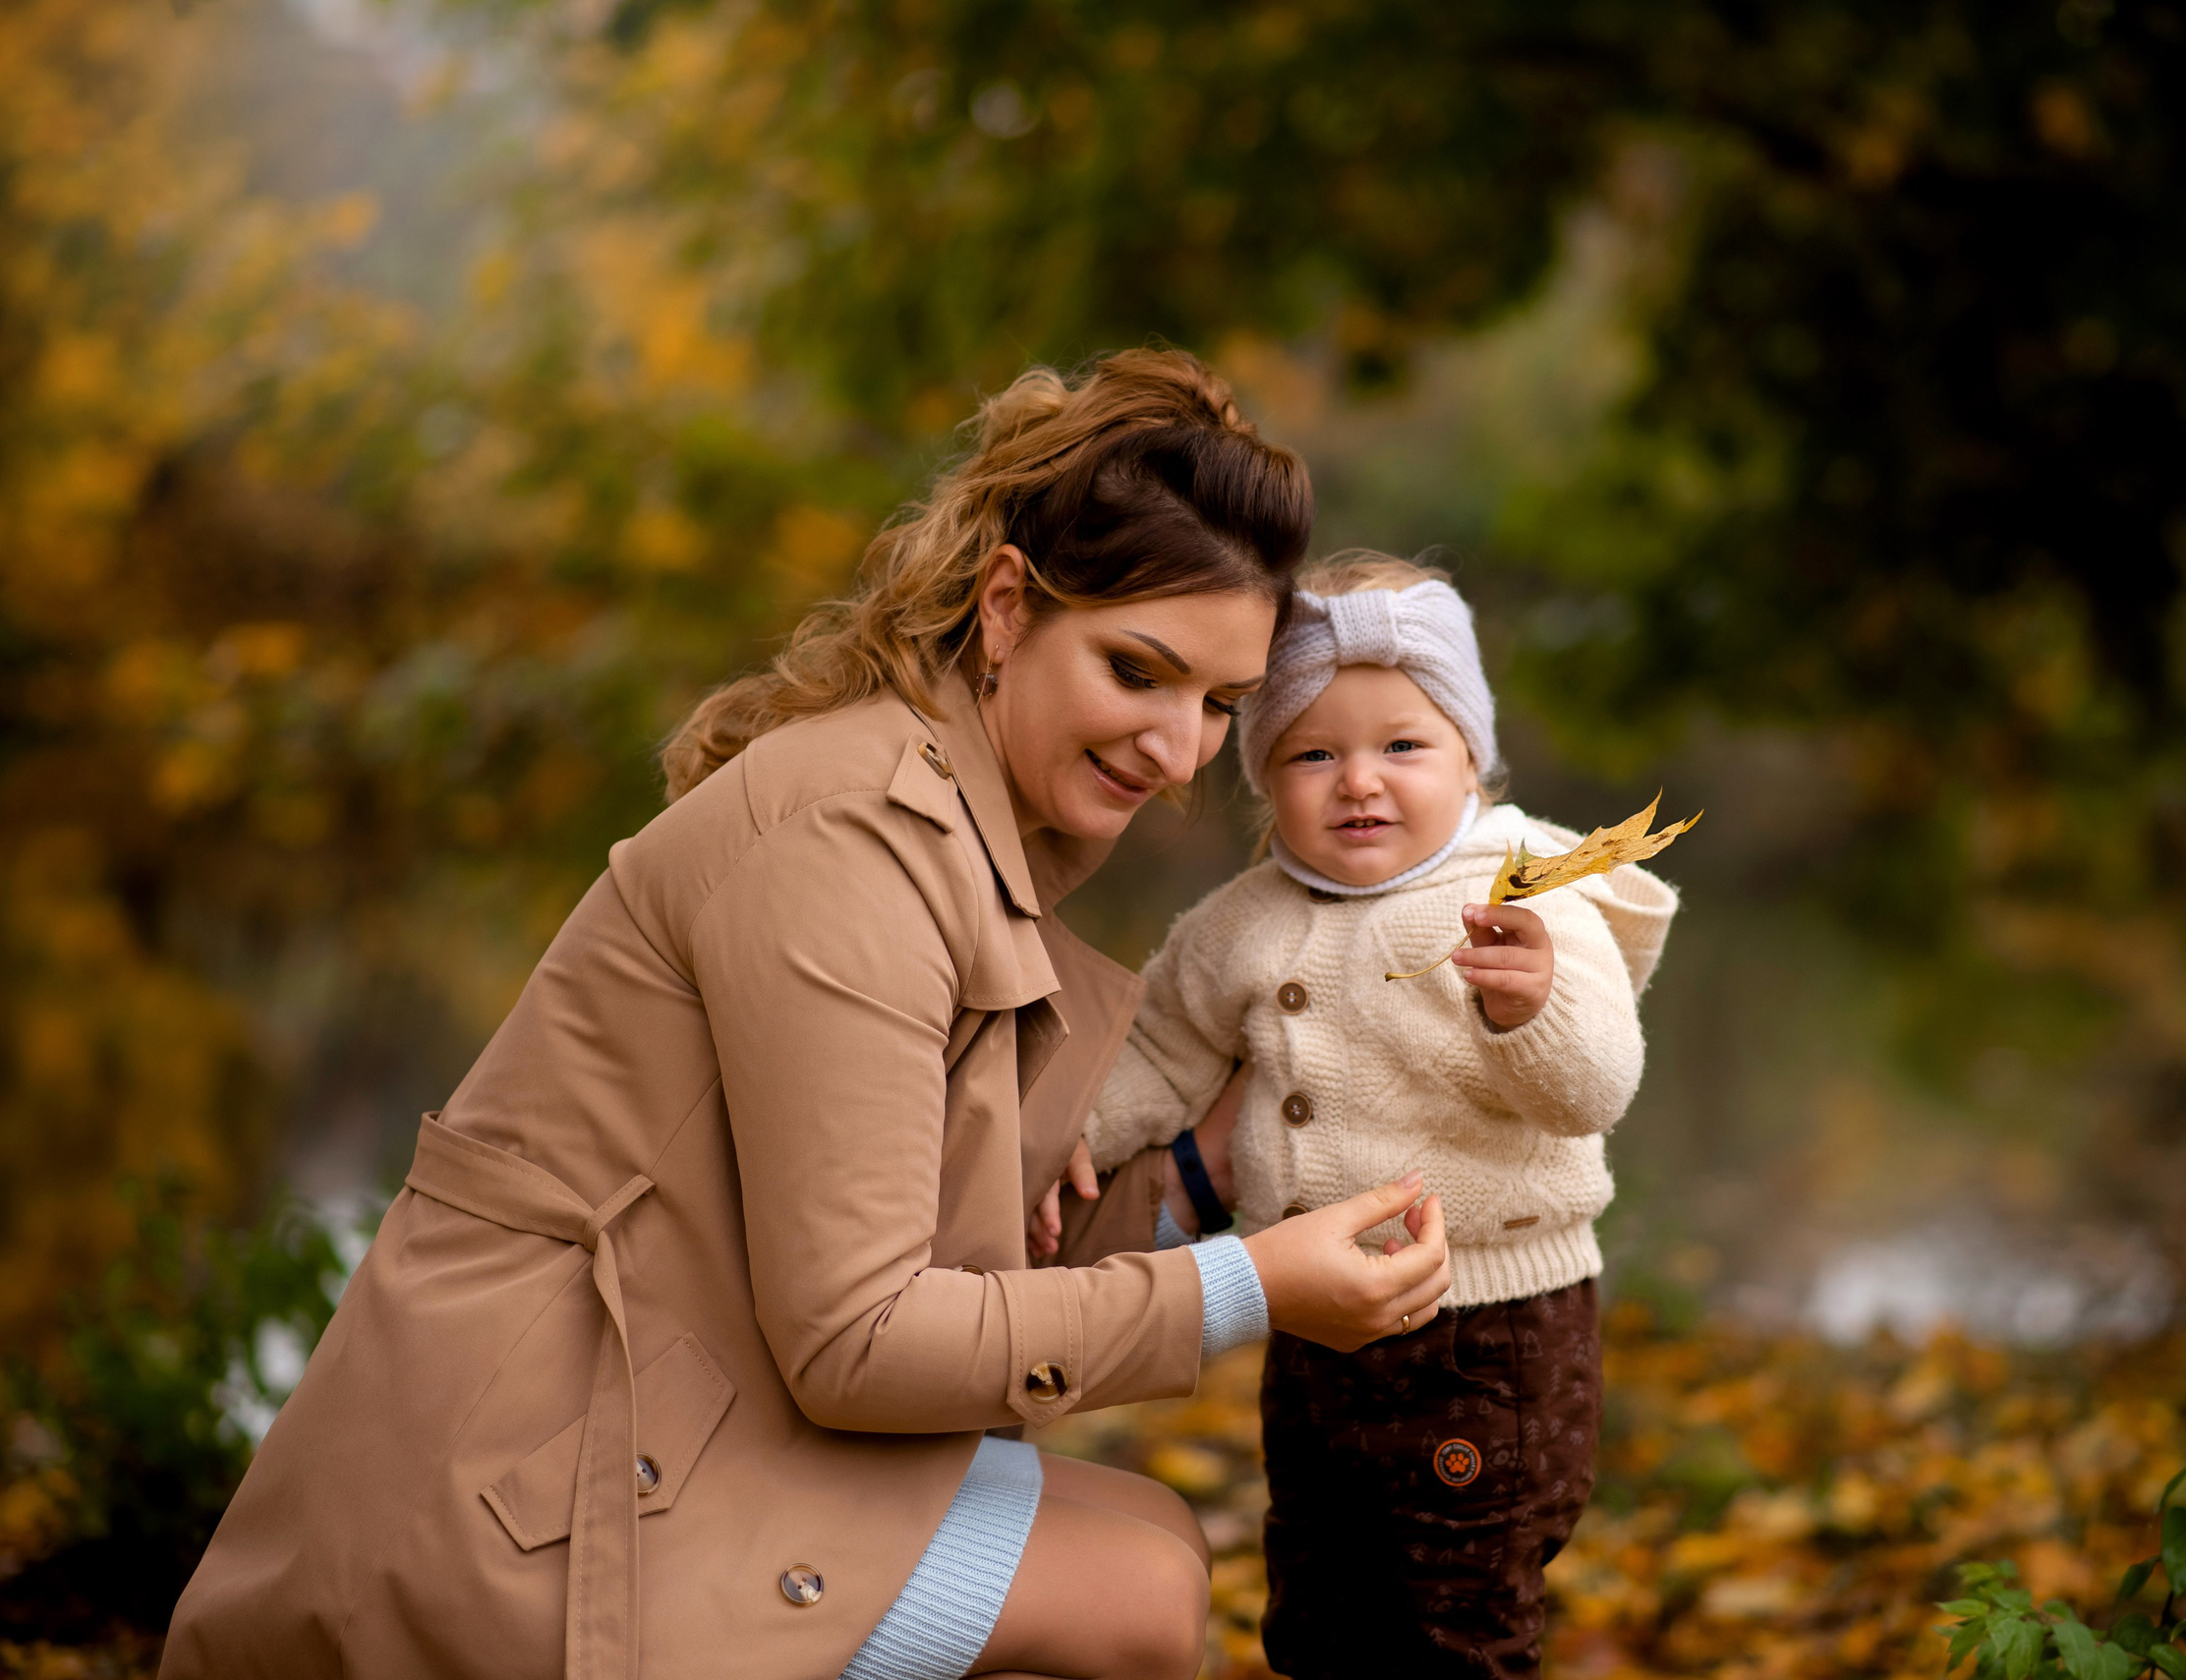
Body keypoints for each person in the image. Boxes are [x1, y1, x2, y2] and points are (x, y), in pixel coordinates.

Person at [160, 353, 1452, 1680]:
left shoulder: (962, 828)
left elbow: (957, 1270)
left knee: (1161, 1540)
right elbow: (865, 1340)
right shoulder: (853, 843)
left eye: (1220, 706)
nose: (1180, 752)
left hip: (683, 1430)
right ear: (1006, 608)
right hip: (521, 1506)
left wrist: (1210, 1160)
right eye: (1140, 671)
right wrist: (1246, 1292)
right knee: (1133, 1598)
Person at [1078, 552, 1678, 1679]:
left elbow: (1596, 1086)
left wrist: (1533, 1007)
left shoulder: (1530, 885)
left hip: (1490, 1330)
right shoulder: (1241, 922)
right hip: (1310, 1329)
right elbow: (1157, 1052)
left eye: (1401, 745)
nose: (1358, 780)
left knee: (1455, 1617)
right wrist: (1081, 1134)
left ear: (1470, 757)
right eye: (1313, 753)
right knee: (1319, 1600)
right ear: (1265, 777)